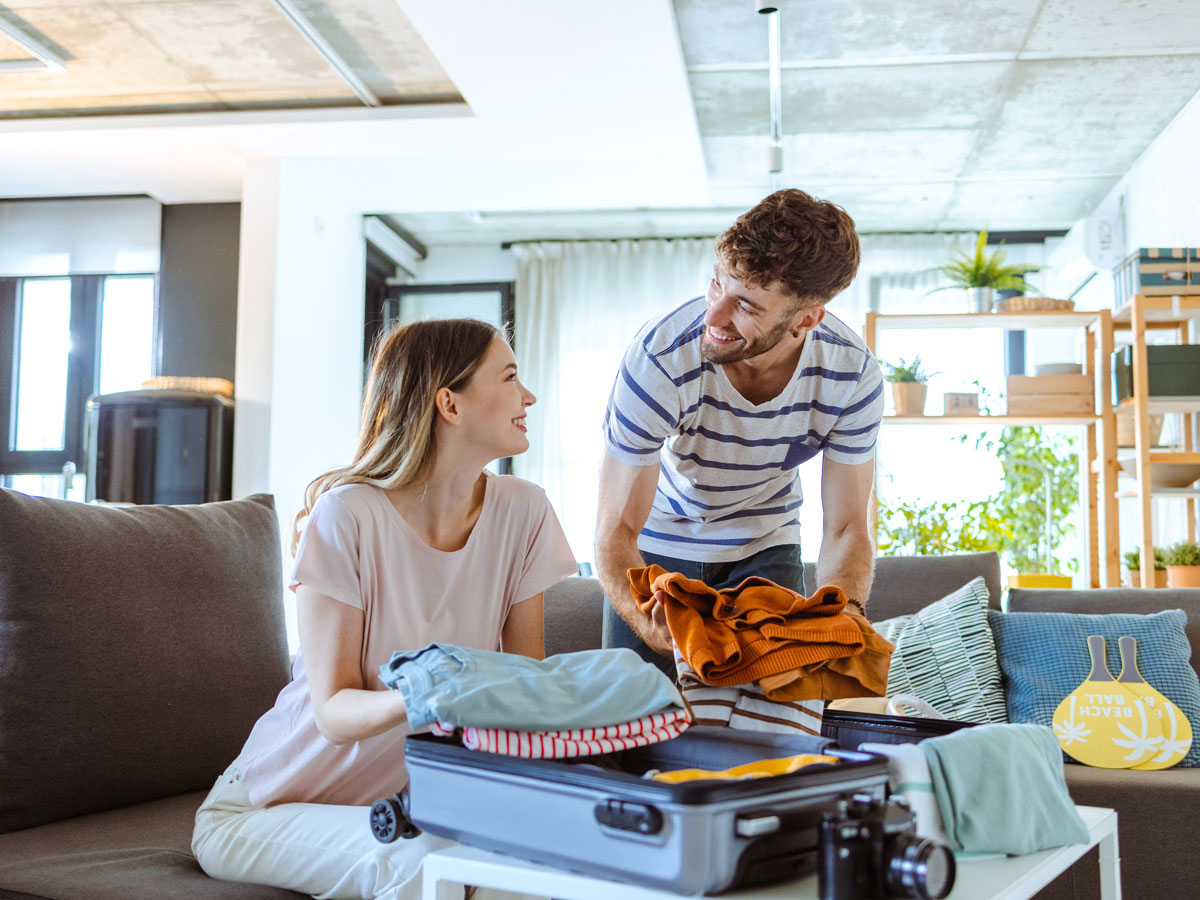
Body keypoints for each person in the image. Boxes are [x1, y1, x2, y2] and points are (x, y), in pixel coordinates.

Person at [192, 318, 576, 900]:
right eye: (511, 377)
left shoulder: (525, 512)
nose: (529, 397)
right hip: (266, 806)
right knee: (429, 866)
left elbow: (526, 694)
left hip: (405, 805)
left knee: (530, 869)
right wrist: (433, 694)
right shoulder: (346, 517)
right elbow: (333, 712)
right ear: (450, 403)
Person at [595, 189, 883, 677]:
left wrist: (846, 614)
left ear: (807, 318)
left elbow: (847, 526)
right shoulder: (659, 360)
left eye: (746, 306)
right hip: (656, 544)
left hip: (765, 544)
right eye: (716, 286)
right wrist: (645, 620)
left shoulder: (851, 376)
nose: (713, 317)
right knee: (632, 722)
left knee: (769, 728)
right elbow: (614, 529)